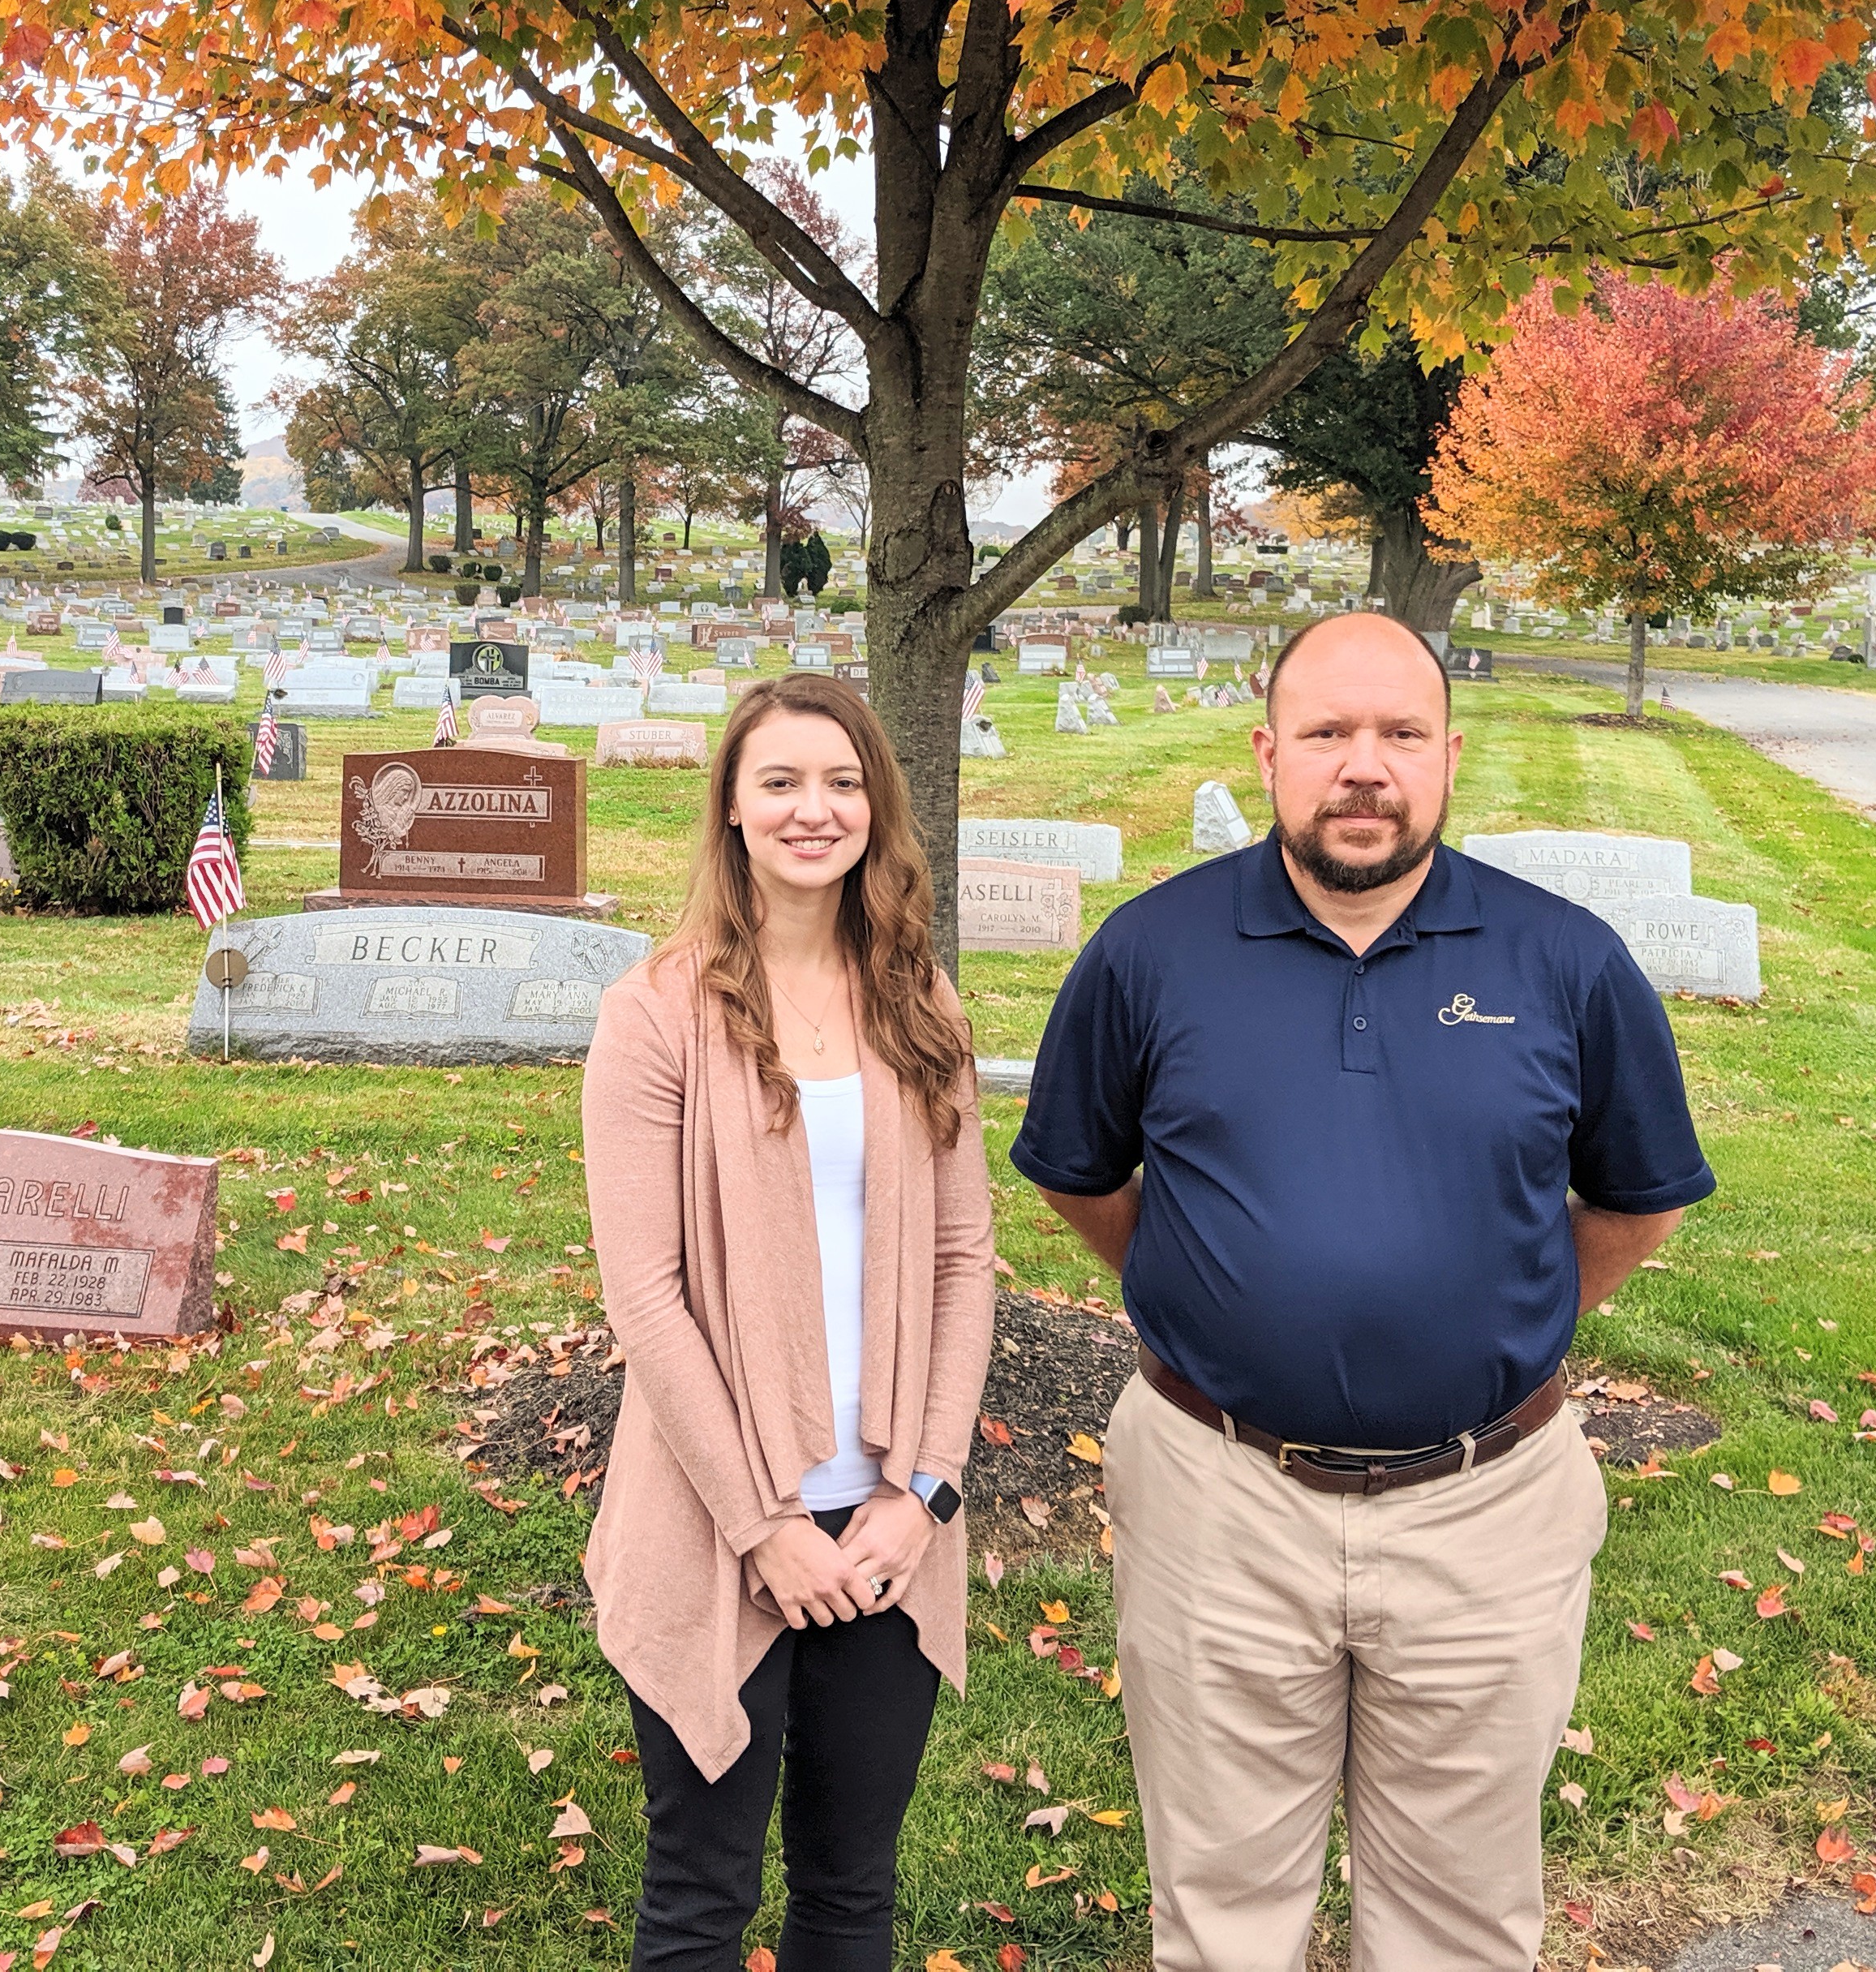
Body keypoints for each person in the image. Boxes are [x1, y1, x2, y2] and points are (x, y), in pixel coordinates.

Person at [1011, 611, 1713, 1972]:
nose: (1364, 766)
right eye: (1329, 733)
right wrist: (1219, 1297)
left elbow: (1637, 1198)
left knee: (1460, 1921)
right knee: (1221, 1917)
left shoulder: (1563, 961)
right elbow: (1082, 1177)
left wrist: (1501, 1321)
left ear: (1450, 757)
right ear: (1270, 753)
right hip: (1221, 1498)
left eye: (1398, 733)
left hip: (1489, 1507)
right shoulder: (1151, 951)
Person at [582, 670, 996, 1971]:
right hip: (718, 1516)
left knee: (849, 1890)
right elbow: (645, 1295)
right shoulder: (657, 1012)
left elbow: (966, 1256)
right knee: (701, 1894)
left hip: (886, 1526)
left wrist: (921, 1492)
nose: (814, 809)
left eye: (842, 781)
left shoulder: (920, 1004)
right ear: (734, 810)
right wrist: (765, 1527)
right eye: (781, 782)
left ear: (876, 805)